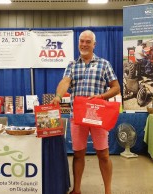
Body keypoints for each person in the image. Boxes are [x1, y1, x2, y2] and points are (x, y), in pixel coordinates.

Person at [51, 30, 120, 194]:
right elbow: (65, 81)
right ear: (78, 43)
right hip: (78, 117)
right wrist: (58, 96)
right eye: (82, 41)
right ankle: (77, 189)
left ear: (94, 44)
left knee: (103, 154)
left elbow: (116, 88)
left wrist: (101, 96)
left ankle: (108, 191)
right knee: (78, 154)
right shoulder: (72, 65)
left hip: (98, 117)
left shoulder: (104, 64)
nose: (84, 44)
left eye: (88, 41)